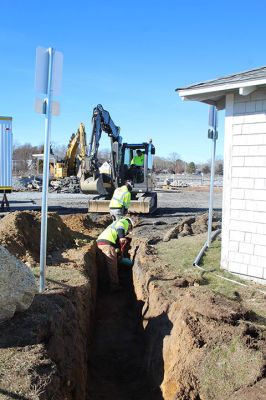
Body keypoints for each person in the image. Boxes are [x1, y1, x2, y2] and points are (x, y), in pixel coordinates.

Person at [96, 217, 134, 292]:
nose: (128, 232)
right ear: (129, 224)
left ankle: (104, 285)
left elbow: (116, 245)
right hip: (107, 244)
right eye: (129, 229)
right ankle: (115, 286)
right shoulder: (124, 222)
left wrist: (119, 254)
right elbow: (120, 227)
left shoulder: (112, 226)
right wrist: (122, 237)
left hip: (100, 243)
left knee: (104, 265)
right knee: (112, 266)